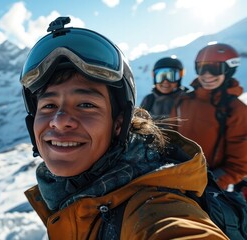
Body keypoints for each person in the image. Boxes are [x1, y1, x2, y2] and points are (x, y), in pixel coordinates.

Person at [20, 17, 228, 239]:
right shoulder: (66, 199)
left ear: (119, 123)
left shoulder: (155, 208)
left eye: (86, 105)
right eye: (49, 105)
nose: (59, 120)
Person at [171, 42, 247, 191]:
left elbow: (239, 163)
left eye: (214, 69)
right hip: (173, 173)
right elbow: (169, 135)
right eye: (201, 68)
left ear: (229, 70)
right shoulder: (184, 100)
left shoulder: (236, 110)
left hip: (207, 185)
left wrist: (212, 182)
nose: (206, 75)